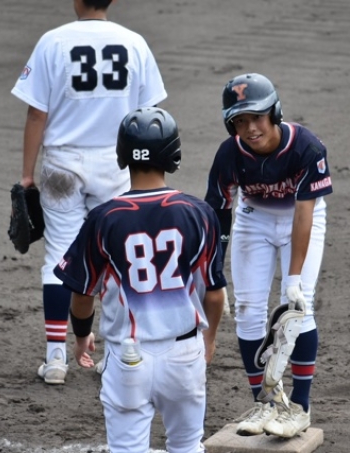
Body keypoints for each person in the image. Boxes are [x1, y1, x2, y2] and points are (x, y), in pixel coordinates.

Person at [10, 0, 167, 385]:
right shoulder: (134, 43)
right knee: (116, 259)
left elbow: (37, 114)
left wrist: (27, 175)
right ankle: (115, 355)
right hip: (116, 165)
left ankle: (56, 358)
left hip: (62, 165)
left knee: (59, 257)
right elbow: (149, 119)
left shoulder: (52, 41)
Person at [53, 107, 227, 453]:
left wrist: (82, 336)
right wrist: (208, 340)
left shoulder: (103, 219)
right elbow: (215, 294)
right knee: (187, 446)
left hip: (127, 356)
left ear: (123, 154)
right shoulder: (199, 213)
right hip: (184, 354)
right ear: (172, 154)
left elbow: (82, 294)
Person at [204, 73, 333, 438]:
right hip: (253, 219)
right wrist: (215, 271)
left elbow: (304, 214)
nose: (250, 128)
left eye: (257, 117)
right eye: (240, 121)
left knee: (298, 306)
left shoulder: (306, 148)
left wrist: (292, 279)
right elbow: (218, 212)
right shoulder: (229, 153)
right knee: (247, 311)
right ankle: (265, 403)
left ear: (274, 113)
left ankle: (300, 407)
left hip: (301, 218)